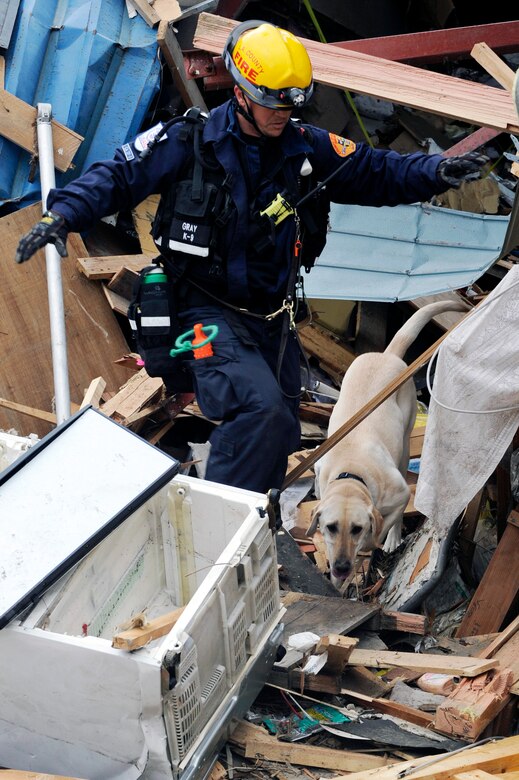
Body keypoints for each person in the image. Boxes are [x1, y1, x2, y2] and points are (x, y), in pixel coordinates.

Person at [15, 20, 487, 495]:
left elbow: (375, 170)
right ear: (241, 92)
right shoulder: (187, 142)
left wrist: (439, 170)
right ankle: (226, 532)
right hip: (200, 314)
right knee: (257, 412)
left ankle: (256, 531)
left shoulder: (305, 148)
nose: (284, 114)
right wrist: (62, 216)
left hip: (270, 319)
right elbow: (118, 176)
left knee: (280, 426)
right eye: (273, 102)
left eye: (293, 103)